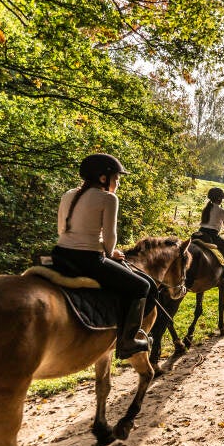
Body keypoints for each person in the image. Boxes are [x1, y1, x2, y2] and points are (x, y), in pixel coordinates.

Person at [51, 153, 155, 359]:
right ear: (102, 178)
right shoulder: (108, 198)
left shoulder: (68, 194)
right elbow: (110, 238)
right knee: (142, 286)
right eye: (116, 178)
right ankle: (127, 341)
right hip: (88, 260)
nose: (118, 183)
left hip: (60, 254)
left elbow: (62, 229)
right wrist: (110, 252)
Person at [196, 187, 224, 283]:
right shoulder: (222, 211)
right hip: (211, 235)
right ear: (218, 199)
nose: (222, 200)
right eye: (221, 198)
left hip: (199, 233)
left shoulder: (206, 208)